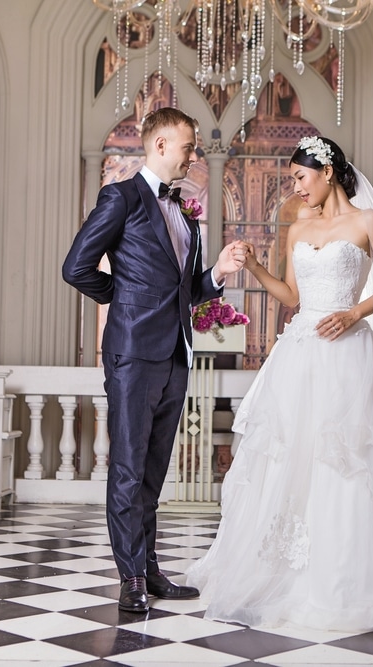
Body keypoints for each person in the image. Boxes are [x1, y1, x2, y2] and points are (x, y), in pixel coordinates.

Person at [185, 136, 373, 632]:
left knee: (348, 461)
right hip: (300, 353)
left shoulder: (368, 222)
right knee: (292, 458)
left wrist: (355, 313)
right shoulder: (298, 228)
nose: (295, 188)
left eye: (300, 177)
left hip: (351, 353)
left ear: (328, 172)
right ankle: (288, 575)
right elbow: (291, 296)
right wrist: (253, 267)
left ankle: (348, 579)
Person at [62, 107, 246, 614]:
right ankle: (131, 580)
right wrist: (122, 300)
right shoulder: (120, 198)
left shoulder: (186, 213)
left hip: (175, 356)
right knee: (126, 467)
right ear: (160, 145)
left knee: (152, 472)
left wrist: (219, 272)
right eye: (188, 147)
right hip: (132, 355)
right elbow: (76, 267)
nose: (193, 155)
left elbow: (186, 291)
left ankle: (151, 569)